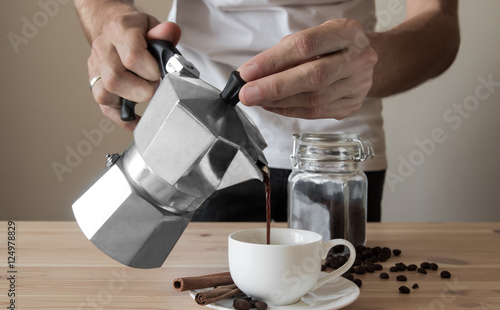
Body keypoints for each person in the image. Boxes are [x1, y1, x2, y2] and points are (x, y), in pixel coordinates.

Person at [75, 0, 460, 222]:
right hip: (195, 148)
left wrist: (371, 64)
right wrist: (108, 19)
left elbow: (440, 25)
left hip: (332, 158)